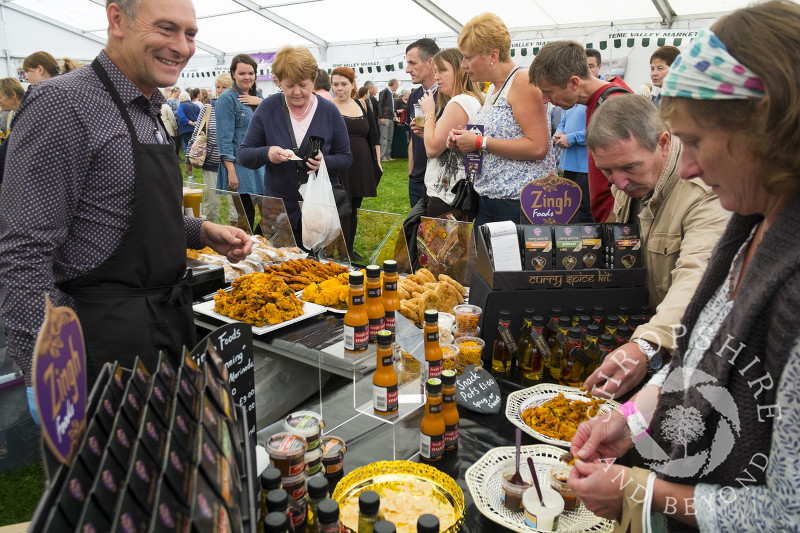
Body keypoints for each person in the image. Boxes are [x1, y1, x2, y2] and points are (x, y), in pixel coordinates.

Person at [568, 3, 800, 531]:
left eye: (694, 142)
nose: (688, 166)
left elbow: (789, 512)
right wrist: (631, 421)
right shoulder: (751, 223)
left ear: (768, 133)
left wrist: (644, 492)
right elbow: (698, 360)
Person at [0, 0, 251, 394]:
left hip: (167, 327)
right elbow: (23, 252)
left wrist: (200, 231)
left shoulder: (149, 108)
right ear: (117, 19)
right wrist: (50, 374)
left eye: (190, 34)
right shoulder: (62, 103)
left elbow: (121, 213)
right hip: (100, 343)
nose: (182, 47)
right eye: (166, 29)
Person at [582, 94, 729, 397]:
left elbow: (698, 276)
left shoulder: (704, 191)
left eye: (629, 167)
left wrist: (648, 344)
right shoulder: (631, 179)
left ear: (663, 143)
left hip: (688, 352)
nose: (619, 183)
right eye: (607, 171)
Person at [447, 13, 555, 227]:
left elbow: (538, 147)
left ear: (492, 56)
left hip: (519, 204)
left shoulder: (522, 81)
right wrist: (463, 142)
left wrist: (479, 142)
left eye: (468, 57)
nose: (463, 65)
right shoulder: (495, 88)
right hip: (491, 201)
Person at [238, 45, 352, 247]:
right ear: (278, 81)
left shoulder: (329, 111)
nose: (297, 92)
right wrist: (268, 153)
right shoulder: (268, 108)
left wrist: (324, 162)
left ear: (313, 80)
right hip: (278, 210)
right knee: (278, 269)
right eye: (289, 86)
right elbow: (245, 155)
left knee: (316, 270)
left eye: (303, 85)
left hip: (318, 210)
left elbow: (346, 157)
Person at [529, 40, 632, 223]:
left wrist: (613, 223)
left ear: (574, 83)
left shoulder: (613, 105)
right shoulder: (594, 103)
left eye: (548, 92)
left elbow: (630, 179)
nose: (545, 100)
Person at [418, 48, 483, 219]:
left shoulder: (459, 101)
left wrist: (429, 114)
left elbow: (432, 150)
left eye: (443, 70)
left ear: (460, 70)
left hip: (446, 194)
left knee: (438, 246)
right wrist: (428, 131)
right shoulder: (473, 99)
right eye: (435, 71)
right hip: (458, 194)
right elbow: (449, 144)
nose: (437, 76)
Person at [330, 67, 381, 257]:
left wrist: (377, 162)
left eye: (343, 84)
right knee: (340, 207)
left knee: (354, 207)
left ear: (352, 85)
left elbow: (374, 136)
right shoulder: (328, 106)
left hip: (361, 164)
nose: (339, 88)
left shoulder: (363, 105)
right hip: (339, 164)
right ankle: (336, 249)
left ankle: (348, 250)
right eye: (335, 84)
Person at [216, 54, 264, 232]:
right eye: (242, 73)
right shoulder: (227, 99)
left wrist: (261, 103)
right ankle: (244, 253)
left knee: (273, 214)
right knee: (245, 219)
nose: (247, 77)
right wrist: (231, 171)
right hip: (239, 166)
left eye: (251, 73)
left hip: (260, 164)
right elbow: (224, 138)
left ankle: (257, 247)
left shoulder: (258, 95)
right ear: (233, 74)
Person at [189, 73, 233, 225]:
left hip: (234, 165)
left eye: (224, 87)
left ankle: (239, 239)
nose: (220, 90)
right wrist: (189, 158)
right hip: (211, 164)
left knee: (236, 207)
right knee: (211, 205)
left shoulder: (238, 106)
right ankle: (208, 238)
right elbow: (197, 134)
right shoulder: (208, 108)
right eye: (218, 87)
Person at [405, 37, 440, 208]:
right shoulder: (414, 96)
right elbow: (413, 136)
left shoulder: (448, 95)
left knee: (439, 233)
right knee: (416, 232)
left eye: (412, 63)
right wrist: (412, 170)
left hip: (440, 181)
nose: (407, 69)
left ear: (430, 62)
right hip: (417, 179)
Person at [552, 104, 592, 222]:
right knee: (569, 210)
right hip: (568, 167)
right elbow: (562, 123)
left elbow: (595, 131)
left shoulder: (590, 103)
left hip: (585, 168)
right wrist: (558, 133)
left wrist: (571, 138)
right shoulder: (571, 104)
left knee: (584, 213)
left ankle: (587, 240)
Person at [177, 87, 202, 176]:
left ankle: (190, 163)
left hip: (186, 129)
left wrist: (191, 123)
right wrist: (196, 124)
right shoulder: (195, 105)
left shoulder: (181, 105)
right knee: (195, 145)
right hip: (196, 129)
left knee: (188, 146)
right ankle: (197, 160)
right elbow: (200, 116)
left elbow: (181, 117)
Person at [378, 78, 399, 161]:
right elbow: (380, 105)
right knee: (384, 137)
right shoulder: (385, 92)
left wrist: (393, 112)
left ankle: (388, 155)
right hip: (385, 117)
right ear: (393, 84)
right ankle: (382, 156)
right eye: (397, 85)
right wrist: (381, 116)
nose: (397, 87)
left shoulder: (391, 93)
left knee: (389, 137)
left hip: (390, 117)